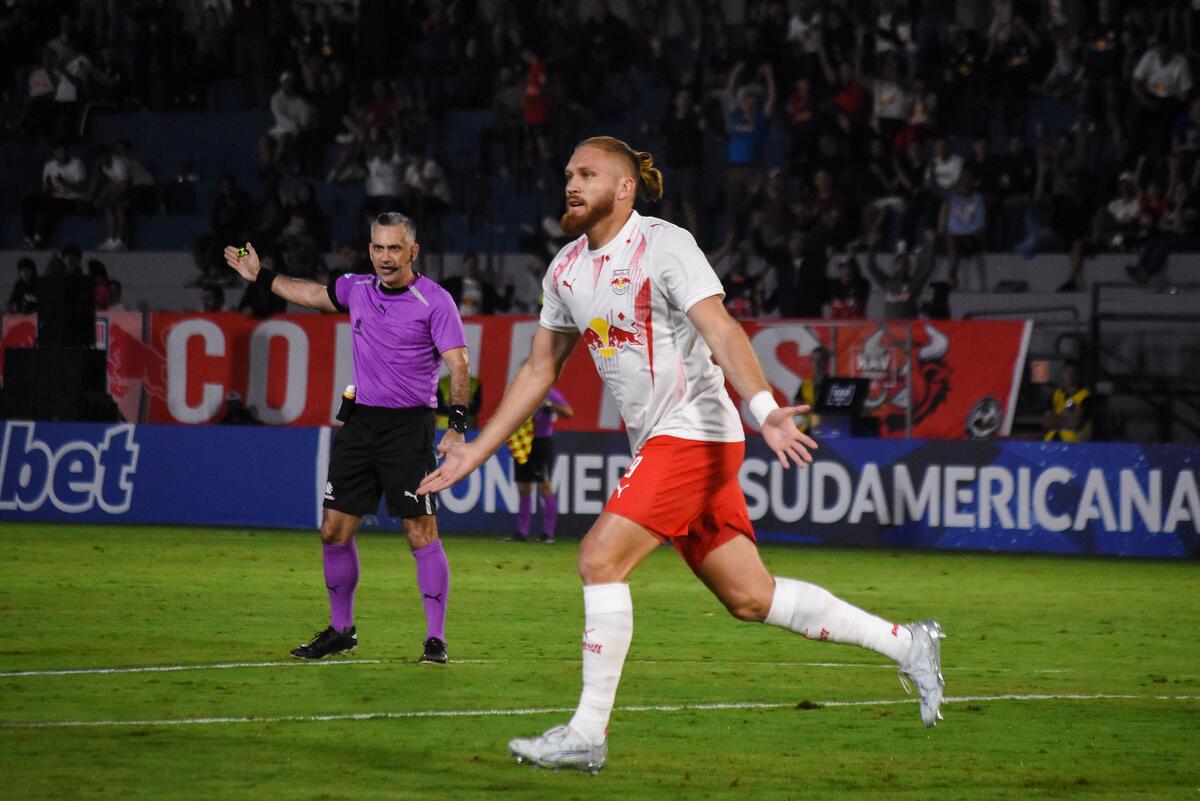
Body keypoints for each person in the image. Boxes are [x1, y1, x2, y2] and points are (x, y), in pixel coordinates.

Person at [418, 136, 945, 773]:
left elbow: (721, 327)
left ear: (624, 187)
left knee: (598, 558)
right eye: (568, 174)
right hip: (666, 443)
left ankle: (587, 733)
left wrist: (764, 408)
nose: (572, 185)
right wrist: (476, 448)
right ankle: (908, 644)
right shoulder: (565, 269)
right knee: (752, 598)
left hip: (697, 431)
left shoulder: (664, 244)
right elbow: (539, 369)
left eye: (587, 174)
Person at [224, 211, 471, 665]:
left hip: (409, 428)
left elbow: (458, 366)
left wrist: (456, 426)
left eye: (394, 248)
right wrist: (262, 277)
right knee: (333, 531)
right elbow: (315, 294)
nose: (384, 257)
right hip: (360, 427)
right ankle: (342, 630)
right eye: (378, 247)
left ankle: (435, 639)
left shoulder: (435, 301)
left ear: (413, 251)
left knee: (420, 531)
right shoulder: (355, 288)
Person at [509, 386, 573, 543]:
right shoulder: (518, 391)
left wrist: (549, 406)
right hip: (523, 440)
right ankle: (522, 532)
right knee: (523, 487)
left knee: (544, 486)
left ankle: (548, 533)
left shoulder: (549, 392)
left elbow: (569, 413)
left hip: (542, 442)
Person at [1043, 360, 1094, 442]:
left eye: (1073, 373)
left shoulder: (1085, 396)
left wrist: (1056, 418)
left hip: (1077, 441)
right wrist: (1066, 419)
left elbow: (1074, 423)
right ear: (1062, 374)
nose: (1070, 376)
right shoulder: (1056, 394)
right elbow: (1047, 423)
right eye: (1066, 372)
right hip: (1054, 438)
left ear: (1078, 375)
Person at [793, 346, 830, 433]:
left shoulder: (832, 384)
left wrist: (810, 407)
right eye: (814, 359)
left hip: (826, 429)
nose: (817, 363)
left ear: (826, 362)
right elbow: (796, 404)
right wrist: (811, 407)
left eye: (820, 360)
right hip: (806, 429)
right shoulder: (806, 384)